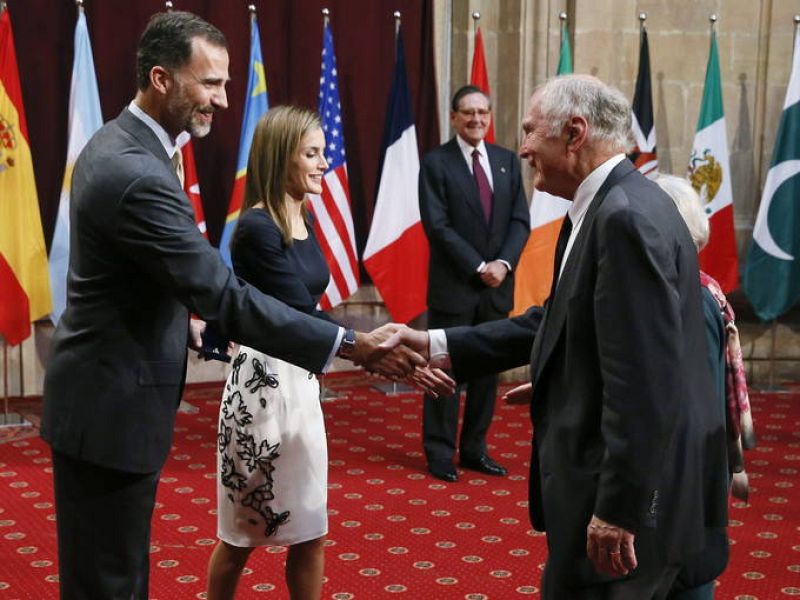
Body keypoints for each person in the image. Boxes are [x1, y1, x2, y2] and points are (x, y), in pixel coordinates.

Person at [40, 12, 423, 599]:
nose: (222, 99)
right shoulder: (136, 170)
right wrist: (351, 344)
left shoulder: (126, 142)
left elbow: (143, 278)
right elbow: (222, 293)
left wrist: (186, 330)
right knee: (110, 583)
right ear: (162, 78)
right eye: (211, 83)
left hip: (105, 401)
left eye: (226, 83)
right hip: (109, 410)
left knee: (112, 575)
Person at [384, 75, 729, 599]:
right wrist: (437, 343)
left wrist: (618, 509)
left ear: (574, 132)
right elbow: (562, 320)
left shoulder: (624, 219)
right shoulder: (608, 205)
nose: (521, 149)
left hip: (626, 515)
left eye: (529, 132)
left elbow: (645, 381)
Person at [206, 106, 336, 599]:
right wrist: (364, 345)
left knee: (311, 528)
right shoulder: (256, 229)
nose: (323, 163)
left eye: (322, 152)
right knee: (240, 535)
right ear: (282, 156)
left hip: (301, 385)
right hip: (260, 393)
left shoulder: (302, 217)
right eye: (312, 153)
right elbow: (299, 310)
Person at [418, 84, 530, 482]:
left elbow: (520, 220)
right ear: (453, 117)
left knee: (487, 374)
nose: (477, 119)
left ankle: (475, 449)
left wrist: (502, 264)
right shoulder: (436, 163)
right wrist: (479, 265)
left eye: (483, 112)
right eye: (468, 113)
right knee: (444, 372)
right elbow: (438, 226)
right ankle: (439, 452)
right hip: (455, 287)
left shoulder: (506, 161)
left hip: (497, 288)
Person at [655, 174, 757, 600]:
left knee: (686, 580)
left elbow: (695, 404)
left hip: (685, 481)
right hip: (685, 477)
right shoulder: (695, 290)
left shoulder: (691, 299)